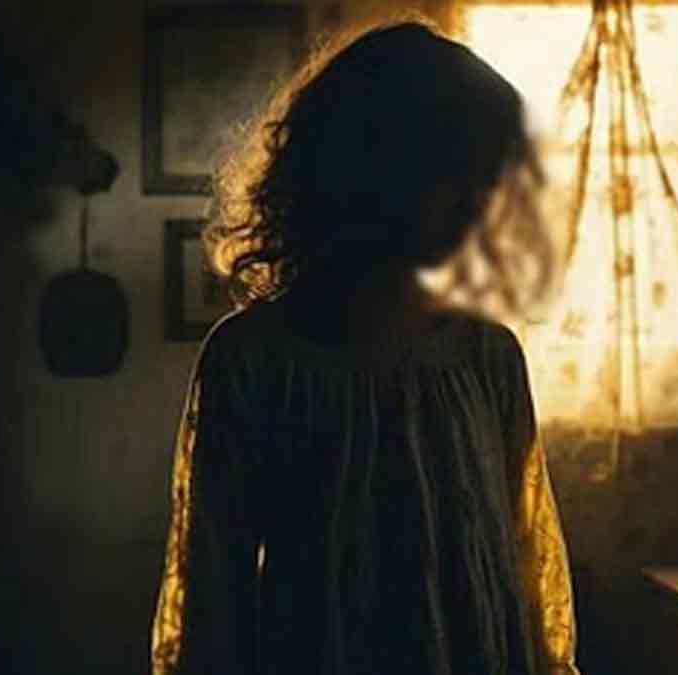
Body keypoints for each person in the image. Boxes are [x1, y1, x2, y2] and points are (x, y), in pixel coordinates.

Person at [151, 18, 579, 675]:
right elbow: (212, 583)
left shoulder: (486, 357)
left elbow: (528, 556)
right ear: (370, 170)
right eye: (451, 174)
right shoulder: (254, 362)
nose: (475, 204)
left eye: (487, 180)